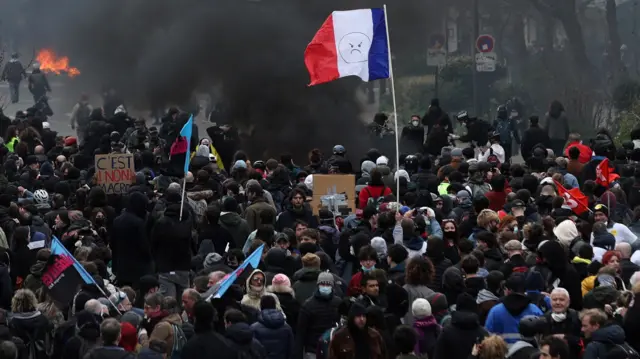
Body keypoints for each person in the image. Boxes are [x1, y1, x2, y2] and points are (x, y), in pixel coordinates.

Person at [485, 273, 543, 344]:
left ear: (508, 290)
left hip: (502, 352)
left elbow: (488, 336)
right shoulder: (534, 310)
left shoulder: (495, 311)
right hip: (530, 351)